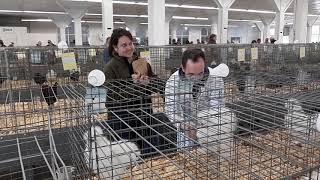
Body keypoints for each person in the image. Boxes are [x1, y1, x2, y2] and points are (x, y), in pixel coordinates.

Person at [103, 28, 176, 157]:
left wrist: (149, 83)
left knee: (148, 154)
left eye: (130, 43)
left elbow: (157, 84)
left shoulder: (142, 63)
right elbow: (112, 98)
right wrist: (135, 85)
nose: (129, 47)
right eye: (124, 45)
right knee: (128, 156)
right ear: (115, 47)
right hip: (122, 120)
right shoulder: (110, 68)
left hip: (144, 115)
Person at [165, 49, 225, 150]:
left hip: (209, 129)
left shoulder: (215, 78)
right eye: (191, 74)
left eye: (200, 73)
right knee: (187, 158)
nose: (196, 78)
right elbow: (171, 111)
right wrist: (182, 125)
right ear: (183, 68)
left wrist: (208, 125)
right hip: (185, 131)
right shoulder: (173, 82)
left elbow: (217, 107)